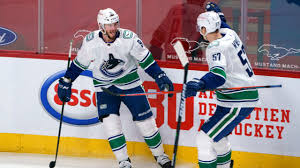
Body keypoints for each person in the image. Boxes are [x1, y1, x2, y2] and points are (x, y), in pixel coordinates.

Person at [57, 8, 173, 168]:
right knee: (111, 125)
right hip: (105, 88)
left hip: (131, 85)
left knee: (146, 123)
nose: (112, 28)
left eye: (114, 24)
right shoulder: (91, 42)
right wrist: (67, 80)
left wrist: (159, 76)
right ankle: (123, 161)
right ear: (101, 26)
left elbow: (147, 61)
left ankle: (161, 156)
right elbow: (79, 64)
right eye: (108, 25)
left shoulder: (129, 38)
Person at [184, 2, 259, 168]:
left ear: (204, 30)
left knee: (204, 139)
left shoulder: (215, 48)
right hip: (233, 98)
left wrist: (200, 83)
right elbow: (221, 21)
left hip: (237, 101)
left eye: (200, 28)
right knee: (218, 138)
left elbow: (218, 77)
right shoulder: (229, 33)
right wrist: (214, 11)